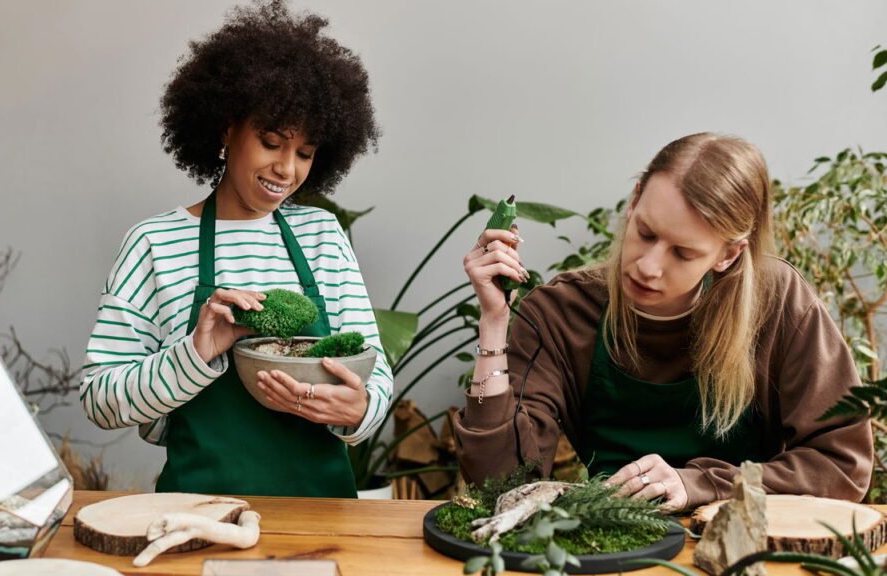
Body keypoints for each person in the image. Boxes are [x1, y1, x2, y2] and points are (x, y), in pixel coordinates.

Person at [455, 132, 873, 510]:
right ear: (634, 201)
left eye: (683, 253)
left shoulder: (777, 302)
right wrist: (493, 323)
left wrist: (700, 484)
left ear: (728, 254)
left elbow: (840, 465)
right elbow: (500, 487)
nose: (648, 266)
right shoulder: (560, 312)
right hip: (615, 543)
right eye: (646, 232)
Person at [80, 0, 392, 498]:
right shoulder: (154, 244)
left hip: (323, 522)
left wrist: (357, 410)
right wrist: (197, 352)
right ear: (227, 129)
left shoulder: (321, 237)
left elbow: (373, 373)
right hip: (196, 512)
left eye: (305, 153)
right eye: (271, 142)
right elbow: (100, 400)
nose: (286, 170)